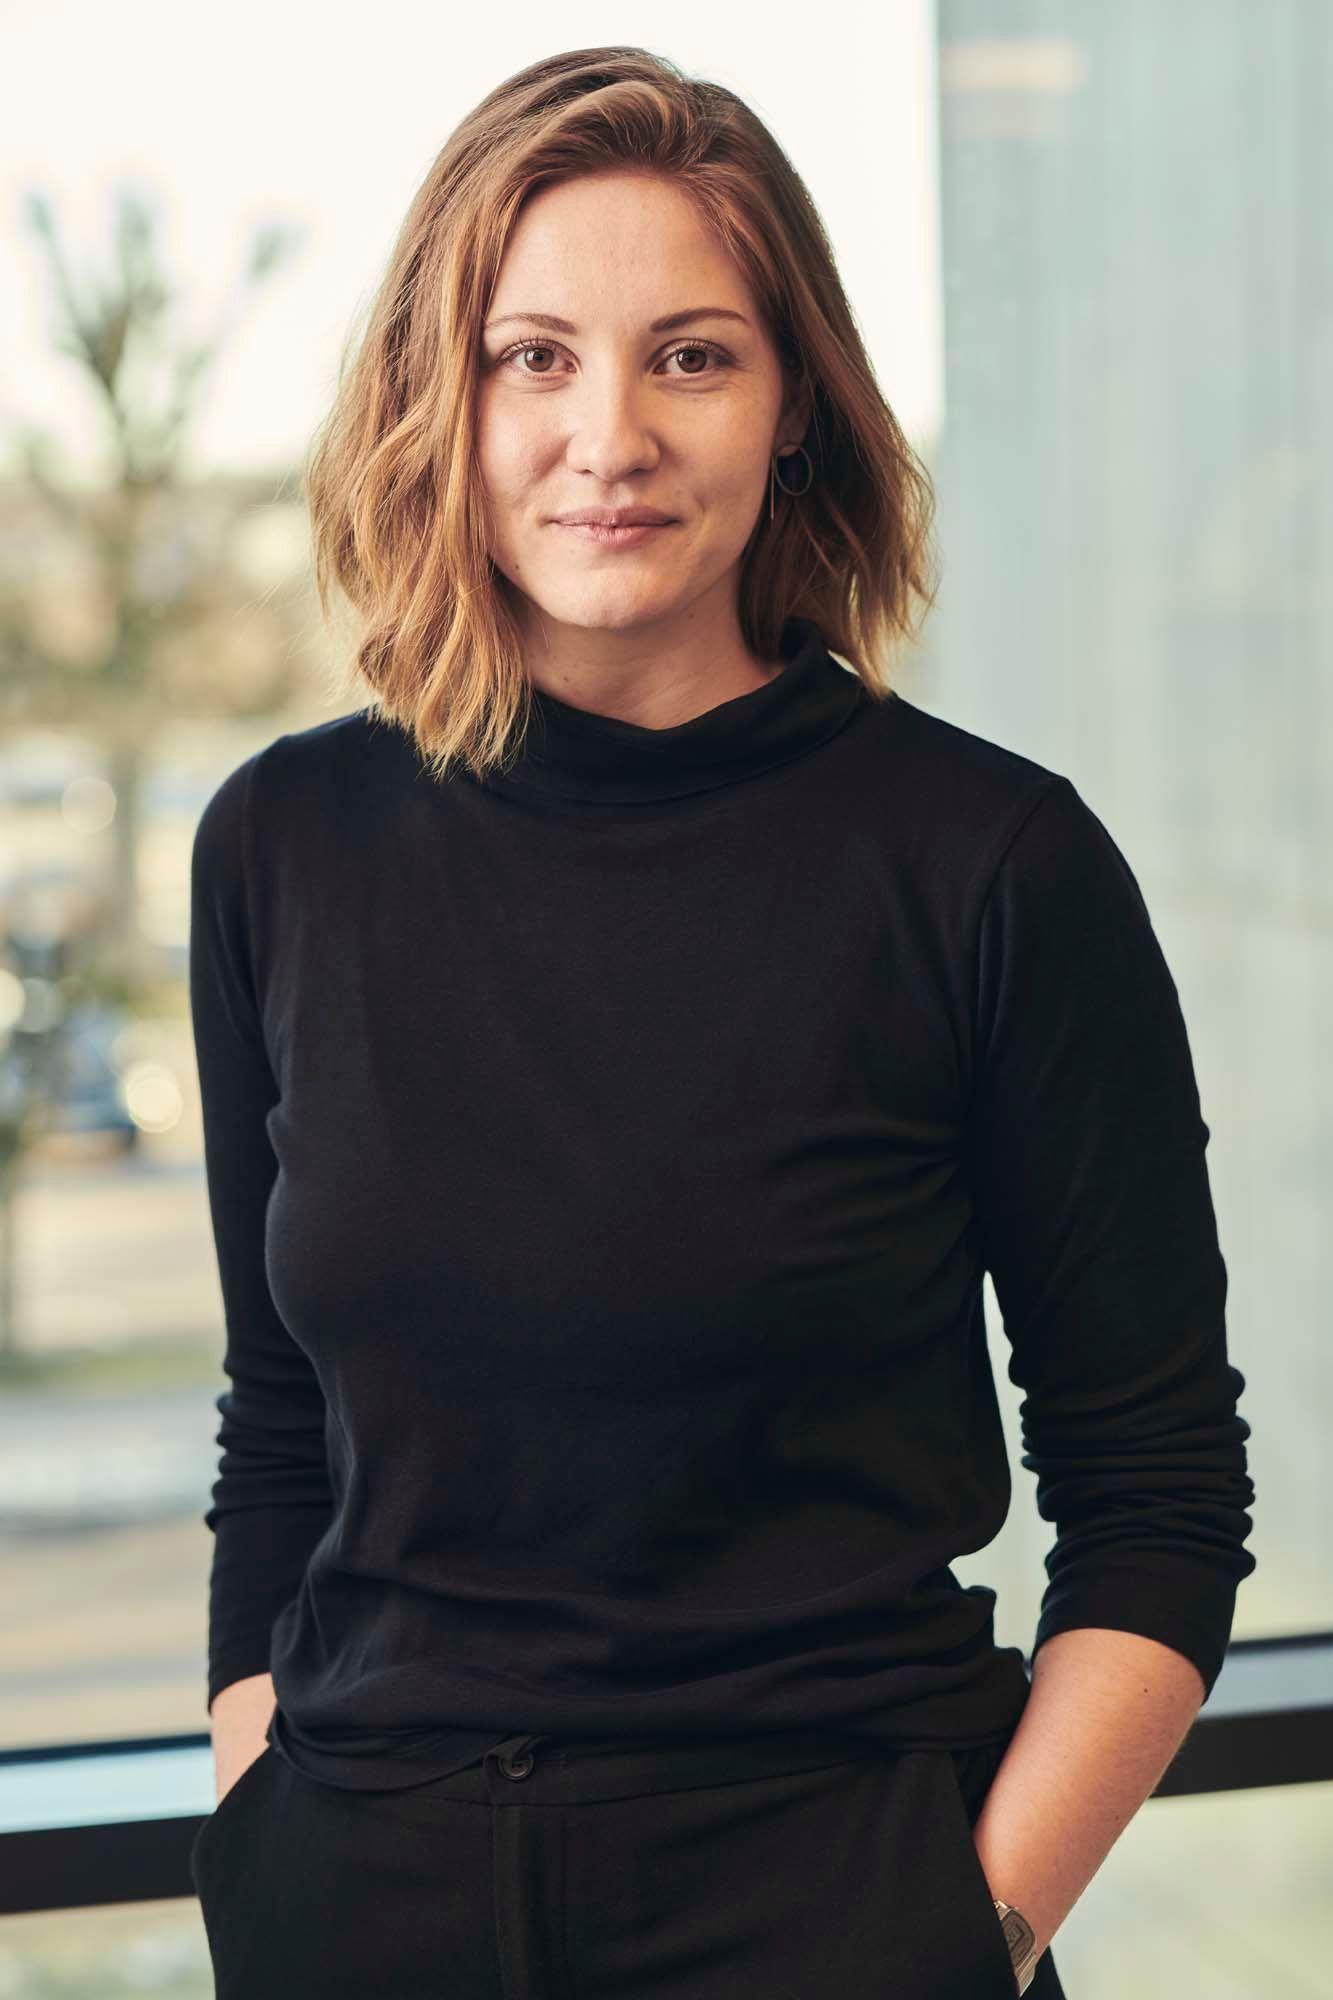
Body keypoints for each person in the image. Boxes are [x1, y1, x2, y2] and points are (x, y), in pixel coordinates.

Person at [186, 44, 1257, 2000]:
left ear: (796, 416)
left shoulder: (989, 864)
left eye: (690, 355)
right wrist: (264, 1812)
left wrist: (959, 1935)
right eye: (534, 358)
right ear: (444, 401)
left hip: (832, 1916)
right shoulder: (282, 847)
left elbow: (1162, 1496)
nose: (609, 435)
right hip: (360, 1920)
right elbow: (281, 1429)